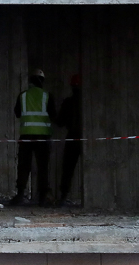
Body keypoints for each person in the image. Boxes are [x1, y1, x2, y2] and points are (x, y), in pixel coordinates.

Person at [11, 68, 57, 207]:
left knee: (23, 165)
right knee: (43, 167)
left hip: (26, 135)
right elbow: (54, 115)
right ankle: (42, 198)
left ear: (30, 81)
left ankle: (20, 195)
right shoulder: (47, 96)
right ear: (42, 81)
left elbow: (17, 113)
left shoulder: (23, 96)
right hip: (43, 137)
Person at [57, 74, 83, 206]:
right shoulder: (88, 103)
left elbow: (60, 122)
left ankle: (64, 196)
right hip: (86, 138)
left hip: (72, 137)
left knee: (68, 168)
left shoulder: (68, 102)